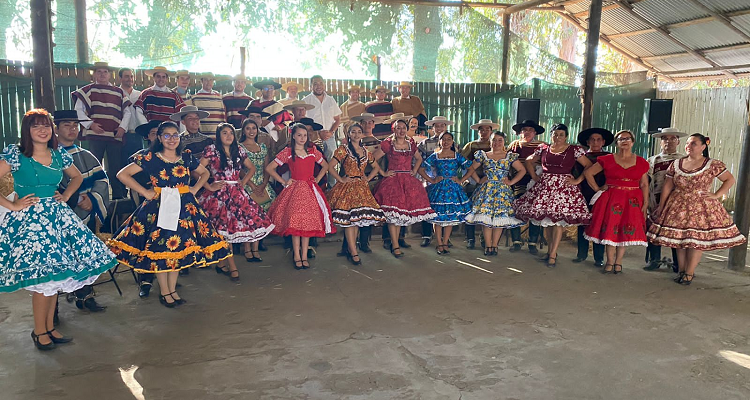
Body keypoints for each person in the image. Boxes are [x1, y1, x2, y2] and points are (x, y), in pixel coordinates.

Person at [0, 109, 117, 350]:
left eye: (46, 126)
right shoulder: (17, 154)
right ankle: (39, 331)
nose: (42, 130)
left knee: (56, 276)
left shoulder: (58, 154)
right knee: (44, 279)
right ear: (27, 131)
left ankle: (50, 328)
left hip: (57, 219)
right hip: (31, 223)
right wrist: (12, 204)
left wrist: (65, 195)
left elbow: (75, 177)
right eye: (36, 126)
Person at [109, 121, 232, 307]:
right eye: (167, 135)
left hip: (184, 208)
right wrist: (145, 192)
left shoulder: (186, 157)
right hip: (160, 206)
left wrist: (194, 188)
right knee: (161, 249)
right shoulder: (150, 158)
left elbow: (204, 173)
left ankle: (172, 290)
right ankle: (165, 292)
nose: (172, 139)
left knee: (177, 249)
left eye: (175, 135)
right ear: (159, 138)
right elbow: (122, 174)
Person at [647, 134, 746, 285]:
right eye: (688, 143)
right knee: (679, 239)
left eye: (693, 143)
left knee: (696, 240)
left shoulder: (712, 164)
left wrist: (716, 194)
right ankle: (681, 270)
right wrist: (662, 206)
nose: (689, 146)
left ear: (703, 147)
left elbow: (729, 179)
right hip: (678, 204)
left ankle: (689, 272)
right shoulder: (677, 163)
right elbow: (668, 185)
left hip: (701, 207)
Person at [198, 123, 274, 277]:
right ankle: (231, 265)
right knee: (223, 230)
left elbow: (251, 168)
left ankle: (222, 263)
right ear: (219, 136)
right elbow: (197, 170)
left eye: (231, 133)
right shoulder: (211, 150)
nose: (228, 136)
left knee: (230, 229)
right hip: (218, 195)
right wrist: (208, 185)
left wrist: (242, 183)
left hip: (236, 193)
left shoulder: (238, 150)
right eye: (224, 133)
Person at [514, 123, 593, 268]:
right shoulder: (543, 148)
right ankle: (551, 251)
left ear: (566, 136)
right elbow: (529, 161)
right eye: (555, 134)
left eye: (561, 135)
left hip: (563, 188)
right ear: (551, 135)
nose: (557, 137)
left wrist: (577, 180)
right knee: (548, 221)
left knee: (557, 222)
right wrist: (534, 176)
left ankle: (552, 254)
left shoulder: (574, 150)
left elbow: (588, 165)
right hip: (545, 186)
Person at [55, 110, 110, 312]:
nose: (72, 129)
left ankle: (85, 295)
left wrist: (93, 200)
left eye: (75, 125)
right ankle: (52, 309)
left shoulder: (86, 155)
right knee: (59, 258)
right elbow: (48, 186)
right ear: (56, 128)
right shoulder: (48, 157)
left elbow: (102, 180)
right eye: (67, 125)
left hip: (84, 217)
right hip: (58, 217)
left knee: (84, 254)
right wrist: (77, 198)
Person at [266, 123, 334, 270]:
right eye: (299, 135)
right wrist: (284, 181)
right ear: (293, 136)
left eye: (305, 135)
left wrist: (317, 178)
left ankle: (304, 255)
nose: (302, 138)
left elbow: (326, 166)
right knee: (295, 223)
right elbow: (270, 168)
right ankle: (297, 255)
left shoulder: (312, 151)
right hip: (295, 190)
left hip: (310, 190)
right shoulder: (288, 152)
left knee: (308, 223)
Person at [583, 130, 650, 275]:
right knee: (610, 229)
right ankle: (609, 261)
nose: (624, 141)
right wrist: (598, 189)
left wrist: (645, 203)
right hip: (611, 198)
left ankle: (619, 262)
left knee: (625, 229)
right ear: (616, 143)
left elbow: (644, 184)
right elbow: (588, 173)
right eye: (621, 139)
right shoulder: (607, 159)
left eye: (627, 138)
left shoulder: (641, 162)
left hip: (632, 200)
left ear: (632, 142)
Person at [373, 117, 436, 258]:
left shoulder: (411, 144)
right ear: (394, 130)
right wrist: (383, 172)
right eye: (398, 128)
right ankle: (394, 244)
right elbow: (372, 159)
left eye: (403, 128)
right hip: (393, 181)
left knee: (401, 214)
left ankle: (398, 242)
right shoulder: (388, 144)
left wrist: (414, 170)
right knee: (393, 215)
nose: (401, 130)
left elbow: (419, 158)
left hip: (407, 181)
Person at [327, 123, 388, 265]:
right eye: (353, 132)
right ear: (348, 134)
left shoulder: (366, 151)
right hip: (347, 187)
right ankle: (353, 251)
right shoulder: (343, 149)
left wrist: (368, 178)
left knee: (355, 221)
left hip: (361, 187)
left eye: (358, 132)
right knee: (351, 221)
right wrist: (341, 178)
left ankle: (351, 249)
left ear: (362, 134)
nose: (356, 134)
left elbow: (376, 167)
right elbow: (330, 166)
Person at [71, 61, 132, 199]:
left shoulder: (119, 92)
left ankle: (118, 198)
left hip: (114, 136)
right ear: (94, 74)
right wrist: (91, 124)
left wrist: (122, 128)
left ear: (110, 74)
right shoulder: (87, 90)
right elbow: (78, 111)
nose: (102, 74)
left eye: (105, 72)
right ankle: (93, 197)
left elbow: (127, 112)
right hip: (95, 135)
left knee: (115, 168)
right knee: (94, 166)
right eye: (99, 72)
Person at [464, 131, 525, 256]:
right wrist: (479, 180)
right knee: (486, 218)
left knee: (499, 219)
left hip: (503, 191)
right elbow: (470, 167)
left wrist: (511, 181)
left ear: (504, 142)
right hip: (486, 190)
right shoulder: (484, 155)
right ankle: (488, 245)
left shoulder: (509, 156)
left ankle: (495, 245)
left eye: (499, 140)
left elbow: (522, 170)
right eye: (494, 140)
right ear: (490, 141)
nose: (496, 143)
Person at [419, 132, 475, 255]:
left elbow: (471, 168)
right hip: (439, 188)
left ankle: (445, 242)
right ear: (439, 141)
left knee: (450, 217)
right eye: (443, 139)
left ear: (452, 141)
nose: (446, 142)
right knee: (437, 217)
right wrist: (432, 180)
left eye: (449, 139)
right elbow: (421, 169)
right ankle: (439, 243)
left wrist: (461, 180)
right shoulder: (435, 156)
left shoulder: (457, 156)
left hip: (453, 189)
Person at [643, 127, 687, 272]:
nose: (668, 142)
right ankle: (654, 259)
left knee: (675, 232)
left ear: (678, 141)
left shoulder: (684, 160)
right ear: (661, 142)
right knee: (654, 229)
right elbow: (646, 183)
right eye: (665, 139)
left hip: (677, 201)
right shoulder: (652, 160)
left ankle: (677, 263)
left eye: (672, 138)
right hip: (656, 200)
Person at [571, 127, 613, 268]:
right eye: (592, 139)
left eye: (598, 139)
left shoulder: (609, 157)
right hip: (584, 193)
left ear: (604, 142)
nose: (595, 142)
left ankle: (598, 257)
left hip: (603, 194)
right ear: (588, 142)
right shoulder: (581, 158)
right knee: (583, 223)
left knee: (599, 224)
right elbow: (575, 175)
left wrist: (604, 188)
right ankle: (581, 254)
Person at [507, 120, 547, 254]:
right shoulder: (514, 145)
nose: (527, 132)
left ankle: (532, 242)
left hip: (536, 182)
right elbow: (507, 163)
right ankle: (516, 241)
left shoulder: (542, 146)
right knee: (515, 209)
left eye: (530, 130)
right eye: (524, 129)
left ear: (535, 132)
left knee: (535, 211)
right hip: (517, 183)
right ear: (520, 132)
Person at [239, 119, 276, 254]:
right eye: (248, 128)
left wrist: (264, 184)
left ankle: (258, 244)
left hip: (262, 184)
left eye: (253, 128)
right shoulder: (239, 147)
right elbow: (240, 169)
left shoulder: (263, 147)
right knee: (248, 216)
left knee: (262, 215)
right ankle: (247, 247)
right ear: (243, 131)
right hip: (247, 184)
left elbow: (267, 167)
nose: (251, 131)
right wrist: (252, 185)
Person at [417, 115, 453, 247]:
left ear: (446, 127)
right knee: (428, 207)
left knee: (446, 207)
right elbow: (418, 161)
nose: (439, 128)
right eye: (436, 126)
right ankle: (427, 235)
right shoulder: (425, 143)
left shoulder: (453, 143)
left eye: (442, 125)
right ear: (432, 128)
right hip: (429, 179)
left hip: (447, 181)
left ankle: (445, 238)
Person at [460, 119, 495, 249]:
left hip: (491, 182)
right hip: (474, 180)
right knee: (471, 209)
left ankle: (484, 237)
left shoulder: (496, 145)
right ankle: (470, 238)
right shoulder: (471, 145)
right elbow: (464, 164)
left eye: (487, 129)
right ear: (478, 131)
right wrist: (474, 179)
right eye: (482, 129)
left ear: (491, 131)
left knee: (488, 211)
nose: (484, 132)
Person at [303, 75, 342, 162]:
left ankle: (331, 176)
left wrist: (331, 132)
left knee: (332, 162)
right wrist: (318, 133)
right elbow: (303, 122)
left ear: (324, 85)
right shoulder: (306, 101)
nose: (319, 86)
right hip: (313, 136)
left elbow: (338, 119)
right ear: (311, 86)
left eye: (321, 83)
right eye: (315, 84)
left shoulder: (331, 100)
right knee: (314, 161)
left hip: (329, 136)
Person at [250, 79, 293, 144]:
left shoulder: (280, 106)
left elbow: (288, 122)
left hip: (273, 138)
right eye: (266, 88)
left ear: (274, 91)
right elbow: (245, 120)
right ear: (261, 90)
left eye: (271, 88)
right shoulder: (253, 104)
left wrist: (280, 126)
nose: (269, 90)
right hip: (254, 136)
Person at [118, 67, 144, 172]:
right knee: (120, 164)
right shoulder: (116, 93)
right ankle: (121, 189)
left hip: (137, 135)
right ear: (120, 78)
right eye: (126, 76)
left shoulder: (140, 94)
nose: (130, 79)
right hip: (121, 135)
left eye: (131, 76)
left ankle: (137, 188)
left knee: (138, 165)